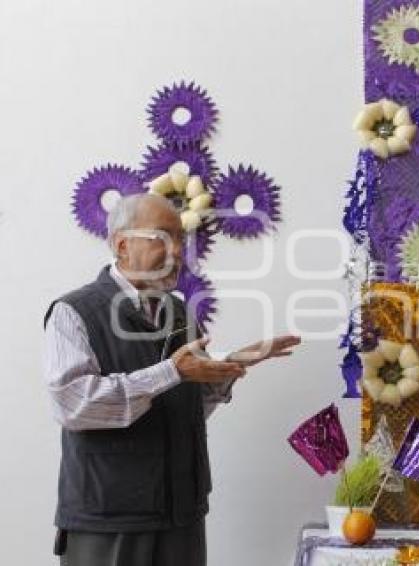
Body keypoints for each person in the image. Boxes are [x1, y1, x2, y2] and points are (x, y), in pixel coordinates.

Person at [43, 194, 300, 566]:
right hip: (109, 521)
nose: (178, 251)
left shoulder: (178, 311)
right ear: (121, 244)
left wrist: (229, 366)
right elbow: (74, 405)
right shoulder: (74, 313)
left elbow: (184, 407)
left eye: (181, 239)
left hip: (182, 517)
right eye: (163, 237)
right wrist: (171, 372)